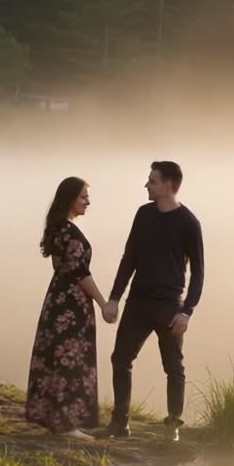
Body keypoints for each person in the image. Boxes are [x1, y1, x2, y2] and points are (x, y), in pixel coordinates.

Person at [92, 161, 204, 442]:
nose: (147, 185)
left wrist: (187, 312)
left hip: (169, 306)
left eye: (152, 181)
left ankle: (172, 427)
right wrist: (114, 299)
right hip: (138, 302)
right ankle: (119, 424)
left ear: (168, 185)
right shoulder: (143, 214)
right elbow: (129, 258)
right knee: (121, 358)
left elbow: (199, 272)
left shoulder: (189, 223)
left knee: (173, 367)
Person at [25, 177, 106, 440]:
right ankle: (66, 425)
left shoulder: (59, 227)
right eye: (83, 197)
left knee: (61, 359)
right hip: (70, 305)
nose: (88, 201)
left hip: (59, 299)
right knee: (69, 361)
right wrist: (104, 303)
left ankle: (58, 420)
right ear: (70, 198)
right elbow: (81, 273)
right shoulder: (66, 231)